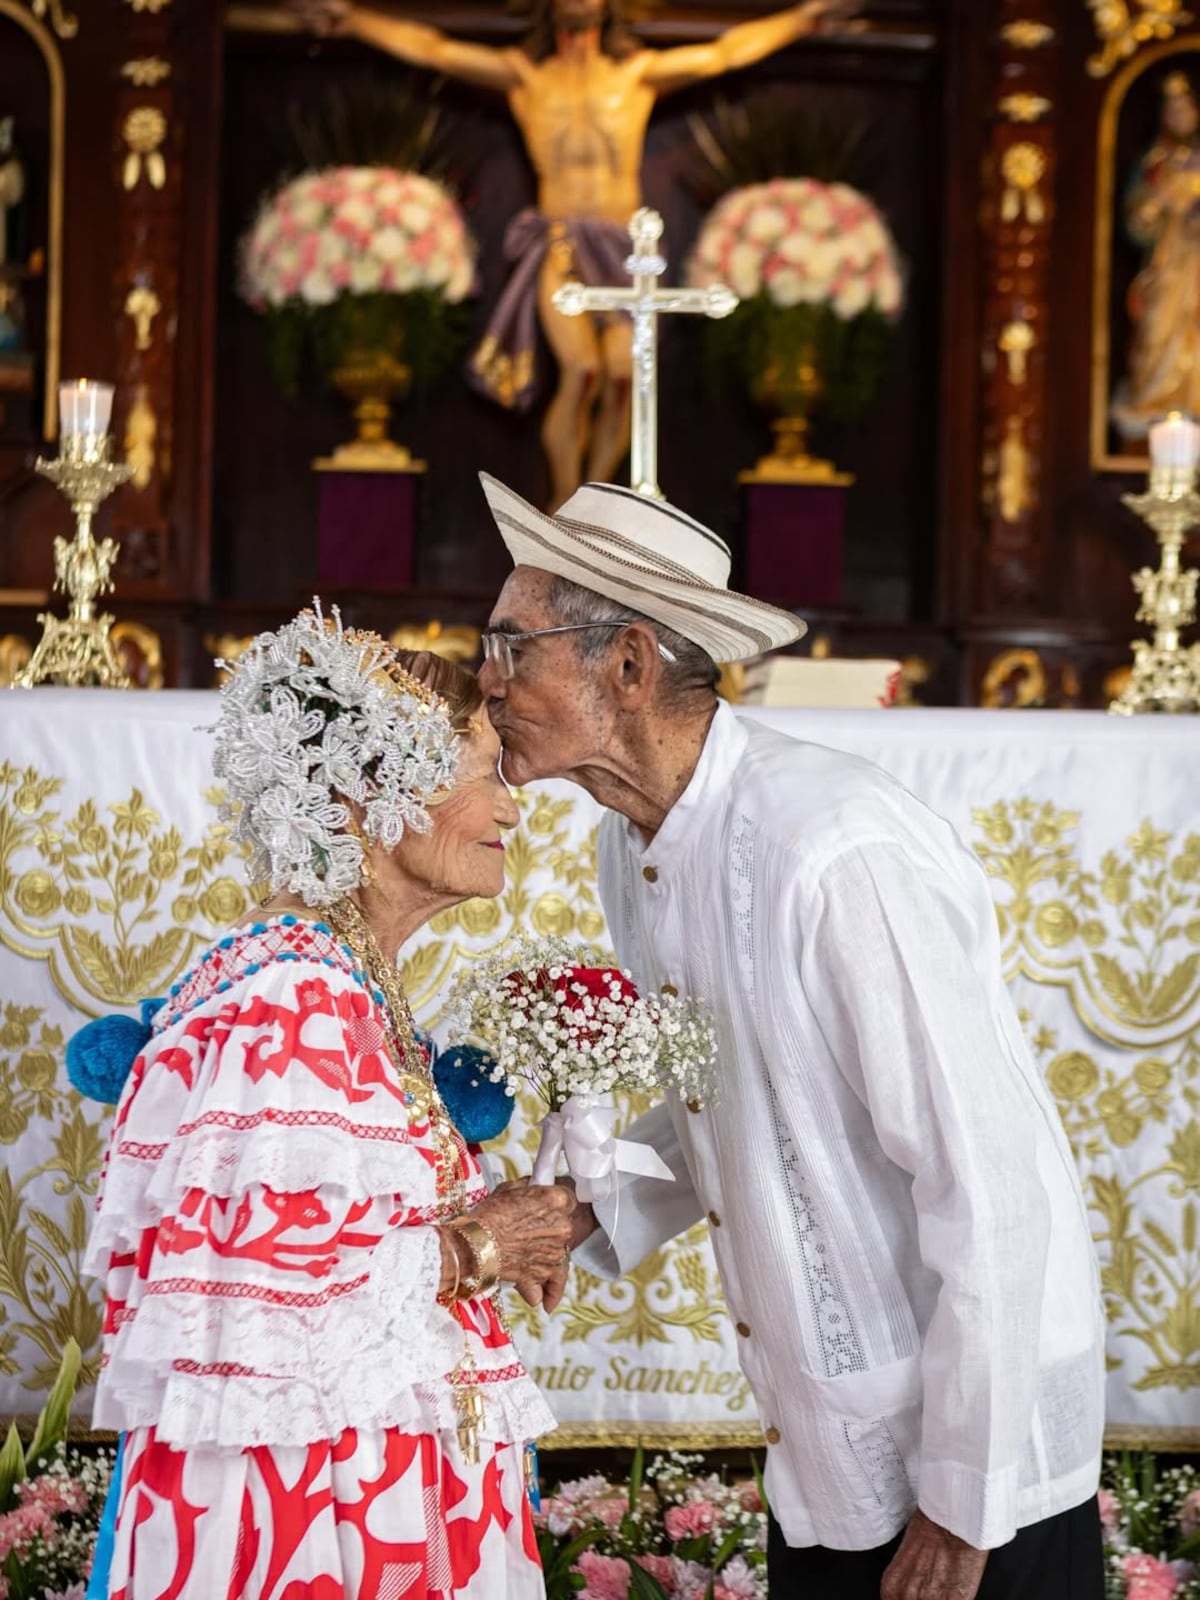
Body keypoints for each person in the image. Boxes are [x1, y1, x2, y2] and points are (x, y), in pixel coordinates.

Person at [474, 473, 1107, 1600]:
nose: (488, 681)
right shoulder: (640, 841)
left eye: (512, 645)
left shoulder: (836, 847)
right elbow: (730, 1094)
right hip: (828, 1460)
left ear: (626, 663)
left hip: (970, 1472)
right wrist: (583, 1210)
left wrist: (963, 1511)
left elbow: (990, 1178)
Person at [84, 608, 574, 1599]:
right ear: (362, 796)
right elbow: (257, 1305)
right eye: (483, 769)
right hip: (311, 1515)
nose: (512, 807)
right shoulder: (288, 998)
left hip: (366, 1481)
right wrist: (488, 1244)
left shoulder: (337, 983)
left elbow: (332, 1248)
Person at [294, 0, 856, 508]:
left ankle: (595, 495)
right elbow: (431, 49)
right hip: (560, 241)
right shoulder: (526, 78)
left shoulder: (636, 77)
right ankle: (564, 500)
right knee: (582, 369)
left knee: (620, 376)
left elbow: (725, 53)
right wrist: (349, 16)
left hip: (623, 245)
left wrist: (804, 17)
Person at [1112, 71, 1200, 437]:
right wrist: (1157, 203)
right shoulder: (1155, 164)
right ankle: (1154, 399)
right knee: (1158, 329)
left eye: (1185, 108)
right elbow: (1136, 218)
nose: (1178, 116)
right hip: (1165, 265)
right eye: (1172, 109)